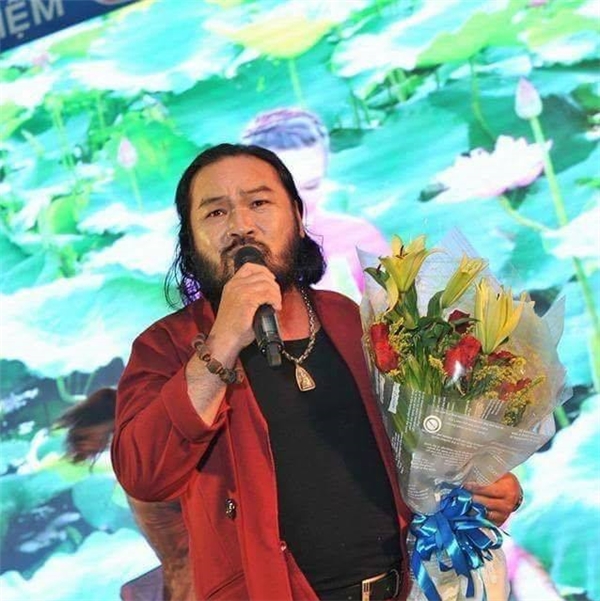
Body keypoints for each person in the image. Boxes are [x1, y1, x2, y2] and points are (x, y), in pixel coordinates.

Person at [111, 143, 522, 601]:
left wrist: (480, 485)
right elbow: (143, 474)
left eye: (259, 202)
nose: (241, 225)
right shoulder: (166, 345)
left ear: (298, 216)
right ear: (189, 240)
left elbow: (418, 445)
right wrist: (222, 342)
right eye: (215, 212)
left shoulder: (348, 318)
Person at [55, 388, 193, 601]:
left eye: (84, 438)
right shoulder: (129, 450)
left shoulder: (141, 443)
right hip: (178, 557)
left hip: (187, 555)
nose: (88, 448)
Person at [242, 108, 389, 300]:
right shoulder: (225, 261)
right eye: (280, 192)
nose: (297, 204)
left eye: (311, 186)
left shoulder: (359, 240)